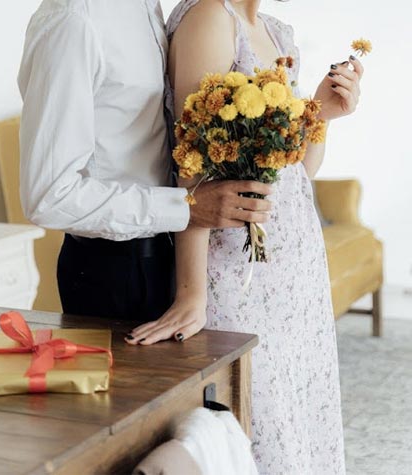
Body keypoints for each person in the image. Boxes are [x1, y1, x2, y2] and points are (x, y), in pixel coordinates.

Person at [126, 0, 364, 472]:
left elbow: (295, 169)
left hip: (293, 264)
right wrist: (192, 293)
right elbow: (192, 163)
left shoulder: (276, 31)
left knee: (298, 411)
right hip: (238, 267)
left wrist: (323, 113)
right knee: (261, 421)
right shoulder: (211, 17)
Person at [17, 0, 272, 325]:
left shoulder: (147, 7)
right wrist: (186, 208)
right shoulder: (73, 18)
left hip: (168, 256)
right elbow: (48, 197)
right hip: (114, 271)